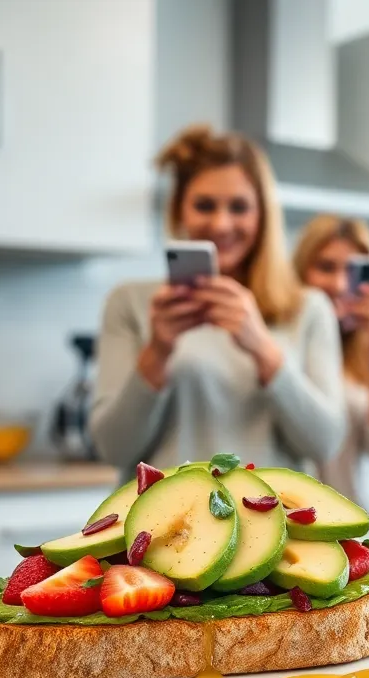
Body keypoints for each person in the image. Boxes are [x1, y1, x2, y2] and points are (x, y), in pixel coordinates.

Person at [90, 125, 346, 476]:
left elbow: (325, 443)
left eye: (239, 207)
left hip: (268, 525)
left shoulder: (308, 309)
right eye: (205, 205)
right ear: (180, 210)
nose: (222, 224)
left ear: (262, 215)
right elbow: (113, 448)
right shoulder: (130, 304)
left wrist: (263, 349)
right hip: (163, 526)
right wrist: (158, 351)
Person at [293, 214, 369, 509]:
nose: (339, 283)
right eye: (325, 267)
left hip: (345, 524)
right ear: (301, 271)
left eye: (354, 272)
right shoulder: (281, 340)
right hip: (281, 516)